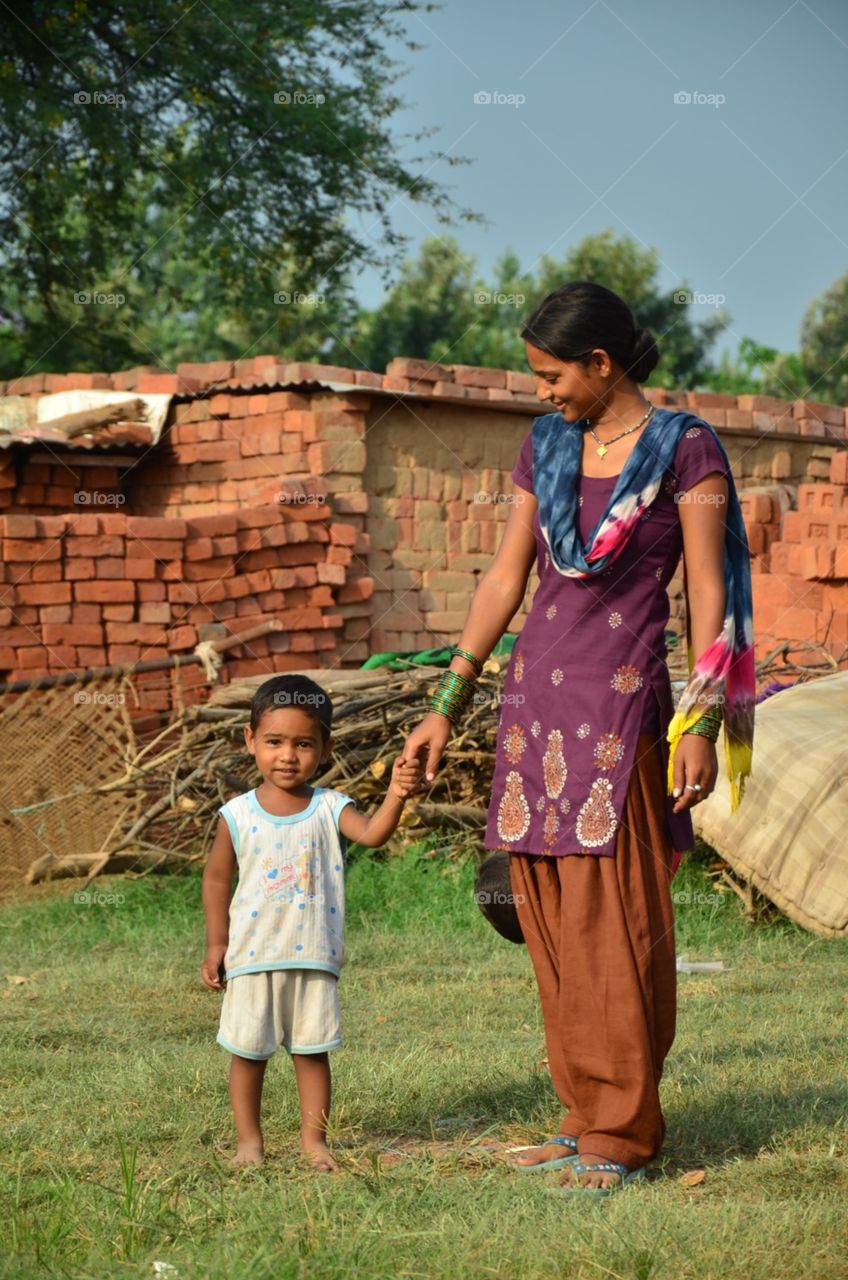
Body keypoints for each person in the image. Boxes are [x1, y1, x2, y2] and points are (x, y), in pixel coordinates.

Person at [402, 281, 754, 1196]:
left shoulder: (687, 449)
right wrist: (448, 697)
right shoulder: (546, 445)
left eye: (553, 374)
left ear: (602, 363)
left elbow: (707, 594)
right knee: (550, 917)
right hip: (534, 707)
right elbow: (504, 578)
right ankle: (583, 1117)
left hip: (624, 710)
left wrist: (702, 720)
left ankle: (626, 1130)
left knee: (616, 922)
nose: (544, 391)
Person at [202, 672, 421, 1170]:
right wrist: (217, 943)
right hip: (252, 958)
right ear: (250, 741)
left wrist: (398, 794)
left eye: (303, 744)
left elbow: (372, 835)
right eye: (274, 742)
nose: (287, 755)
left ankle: (313, 1142)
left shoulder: (330, 807)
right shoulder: (236, 814)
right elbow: (216, 880)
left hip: (313, 955)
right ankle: (249, 1144)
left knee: (312, 1053)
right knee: (248, 1055)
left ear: (325, 748)